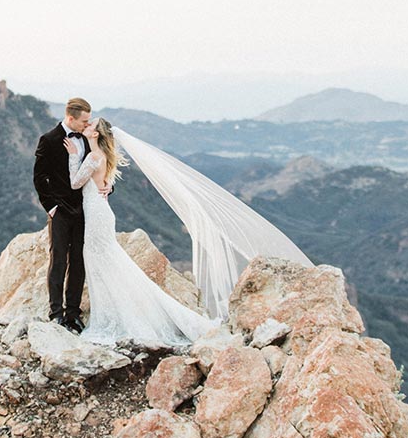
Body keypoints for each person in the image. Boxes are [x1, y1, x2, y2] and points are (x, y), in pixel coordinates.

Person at [55, 115, 314, 347]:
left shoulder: (91, 157)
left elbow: (76, 183)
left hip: (97, 216)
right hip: (101, 213)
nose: (86, 127)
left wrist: (71, 157)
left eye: (90, 125)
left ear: (96, 134)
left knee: (101, 261)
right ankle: (120, 311)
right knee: (107, 262)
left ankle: (116, 316)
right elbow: (102, 184)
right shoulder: (102, 157)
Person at [33, 97, 107, 332]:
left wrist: (108, 188)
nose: (87, 125)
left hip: (85, 210)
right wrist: (52, 208)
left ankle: (73, 313)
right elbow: (39, 178)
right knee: (58, 261)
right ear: (71, 118)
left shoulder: (87, 139)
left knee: (78, 262)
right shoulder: (49, 139)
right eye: (83, 121)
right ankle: (56, 313)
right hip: (61, 212)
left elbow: (100, 170)